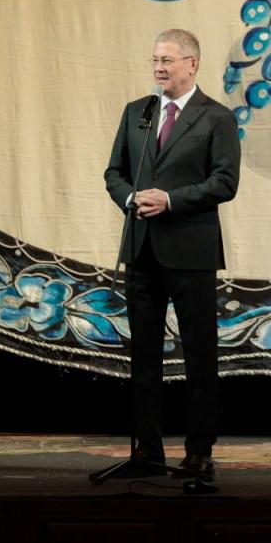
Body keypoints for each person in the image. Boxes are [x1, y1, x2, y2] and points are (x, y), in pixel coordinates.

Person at [104, 29, 241, 481]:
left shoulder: (215, 117)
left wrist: (170, 200)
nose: (159, 68)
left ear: (192, 64)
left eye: (167, 60)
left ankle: (199, 452)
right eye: (155, 60)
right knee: (144, 358)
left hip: (190, 252)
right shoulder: (137, 112)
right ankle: (147, 451)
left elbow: (225, 182)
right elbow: (115, 173)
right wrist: (131, 198)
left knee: (199, 356)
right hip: (141, 248)